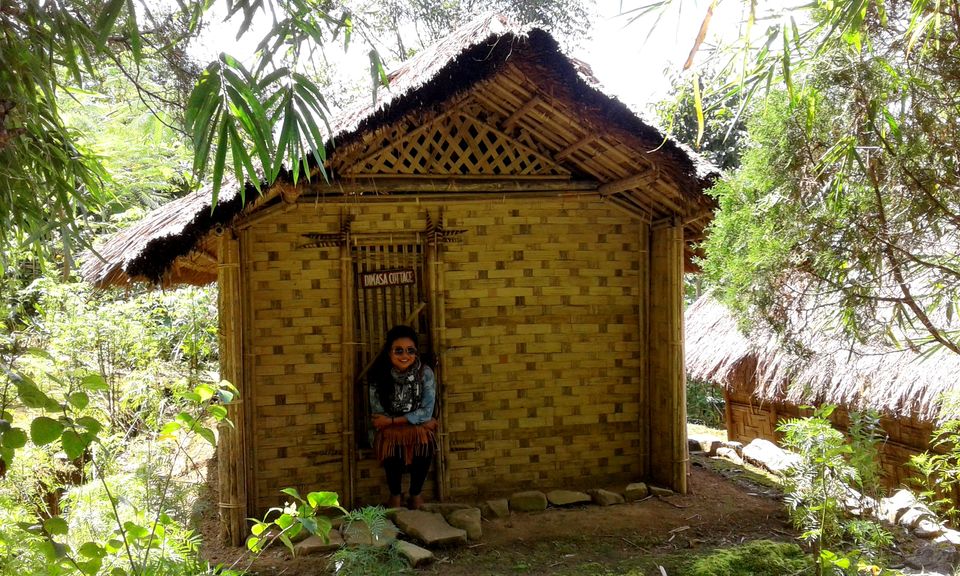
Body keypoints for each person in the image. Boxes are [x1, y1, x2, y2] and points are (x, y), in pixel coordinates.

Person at [369, 325, 437, 510]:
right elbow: (378, 416)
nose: (404, 355)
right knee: (392, 442)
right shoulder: (378, 376)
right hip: (391, 431)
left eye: (410, 350)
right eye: (398, 350)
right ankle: (395, 496)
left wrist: (394, 421)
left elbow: (427, 411)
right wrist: (414, 421)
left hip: (406, 427)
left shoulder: (425, 373)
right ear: (389, 352)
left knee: (424, 440)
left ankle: (415, 494)